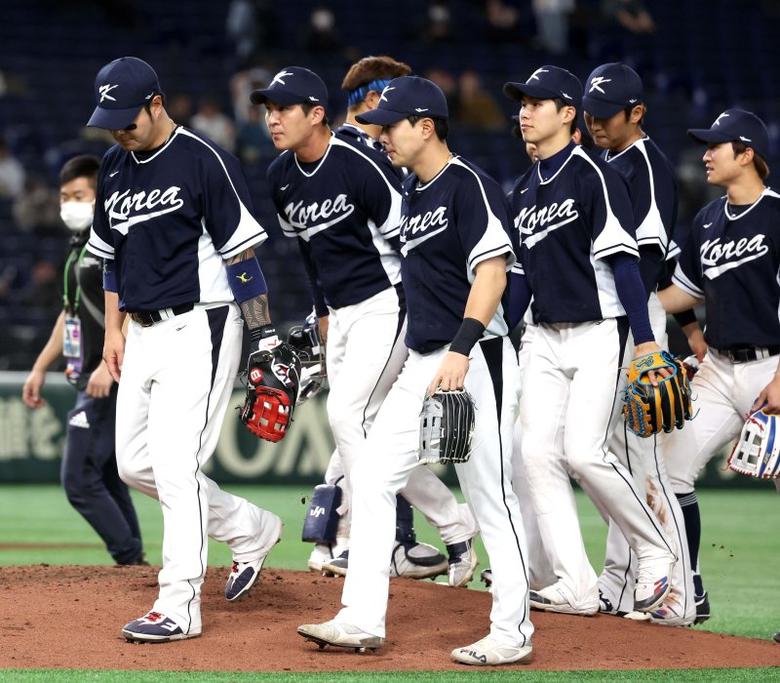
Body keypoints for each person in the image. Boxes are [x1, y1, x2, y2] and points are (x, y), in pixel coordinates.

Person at [297, 75, 534, 666]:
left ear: (425, 126)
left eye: (391, 127)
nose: (382, 138)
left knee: (490, 494)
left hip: (477, 355)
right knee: (374, 473)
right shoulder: (415, 190)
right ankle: (360, 618)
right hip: (424, 357)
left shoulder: (466, 185)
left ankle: (512, 630)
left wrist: (461, 347)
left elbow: (492, 274)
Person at [85, 56, 283, 643]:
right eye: (110, 119)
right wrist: (113, 332)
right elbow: (112, 257)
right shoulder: (115, 167)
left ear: (156, 103)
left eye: (128, 117)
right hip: (140, 333)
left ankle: (179, 604)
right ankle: (250, 528)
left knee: (176, 467)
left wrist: (264, 336)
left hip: (202, 325)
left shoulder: (202, 159)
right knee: (132, 464)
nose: (119, 129)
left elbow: (242, 256)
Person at [256, 66, 478, 584]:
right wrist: (325, 312)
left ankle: (361, 540)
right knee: (371, 431)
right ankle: (455, 521)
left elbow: (412, 243)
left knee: (345, 414)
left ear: (316, 114)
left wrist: (424, 312)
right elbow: (309, 252)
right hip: (343, 313)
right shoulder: (279, 176)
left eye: (283, 108)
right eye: (267, 109)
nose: (272, 119)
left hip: (387, 302)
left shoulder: (360, 163)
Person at [503, 65, 677, 617]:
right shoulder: (524, 189)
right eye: (522, 103)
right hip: (542, 337)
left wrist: (646, 341)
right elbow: (521, 278)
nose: (525, 111)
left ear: (568, 113)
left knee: (584, 452)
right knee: (534, 455)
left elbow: (626, 264)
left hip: (599, 330)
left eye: (537, 102)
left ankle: (655, 554)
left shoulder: (592, 176)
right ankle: (576, 584)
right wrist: (505, 337)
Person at [582, 62, 698, 626]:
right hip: (613, 317)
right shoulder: (603, 161)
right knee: (610, 454)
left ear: (638, 113)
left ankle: (676, 591)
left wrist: (645, 339)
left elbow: (647, 262)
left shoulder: (645, 166)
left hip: (634, 317)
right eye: (590, 114)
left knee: (642, 460)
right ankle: (621, 581)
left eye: (608, 116)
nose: (597, 123)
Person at [658, 108, 780, 625]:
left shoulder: (778, 215)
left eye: (717, 145)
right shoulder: (706, 220)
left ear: (747, 152)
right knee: (667, 471)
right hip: (720, 367)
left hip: (771, 366)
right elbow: (675, 294)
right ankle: (687, 593)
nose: (706, 153)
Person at [22, 154, 144, 567]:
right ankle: (134, 564)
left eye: (79, 195)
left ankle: (128, 558)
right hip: (88, 374)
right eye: (64, 196)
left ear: (101, 196)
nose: (69, 203)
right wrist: (40, 366)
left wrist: (107, 364)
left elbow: (133, 305)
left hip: (107, 375)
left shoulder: (116, 243)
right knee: (107, 474)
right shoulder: (79, 246)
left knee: (78, 479)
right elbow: (69, 312)